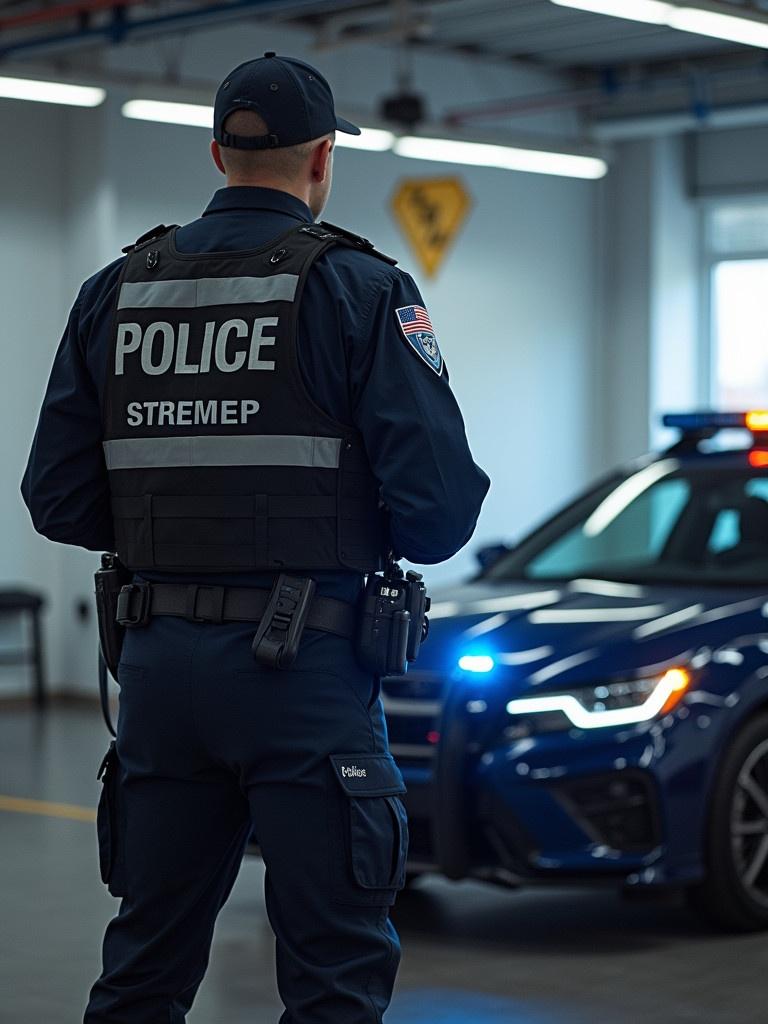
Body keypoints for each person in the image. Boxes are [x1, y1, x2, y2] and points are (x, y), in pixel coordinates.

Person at [21, 52, 489, 1024]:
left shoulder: (118, 291)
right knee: (331, 978)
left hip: (155, 675)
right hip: (305, 675)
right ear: (321, 160)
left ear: (217, 153)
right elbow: (439, 512)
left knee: (144, 967)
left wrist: (179, 525)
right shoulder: (359, 291)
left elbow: (58, 500)